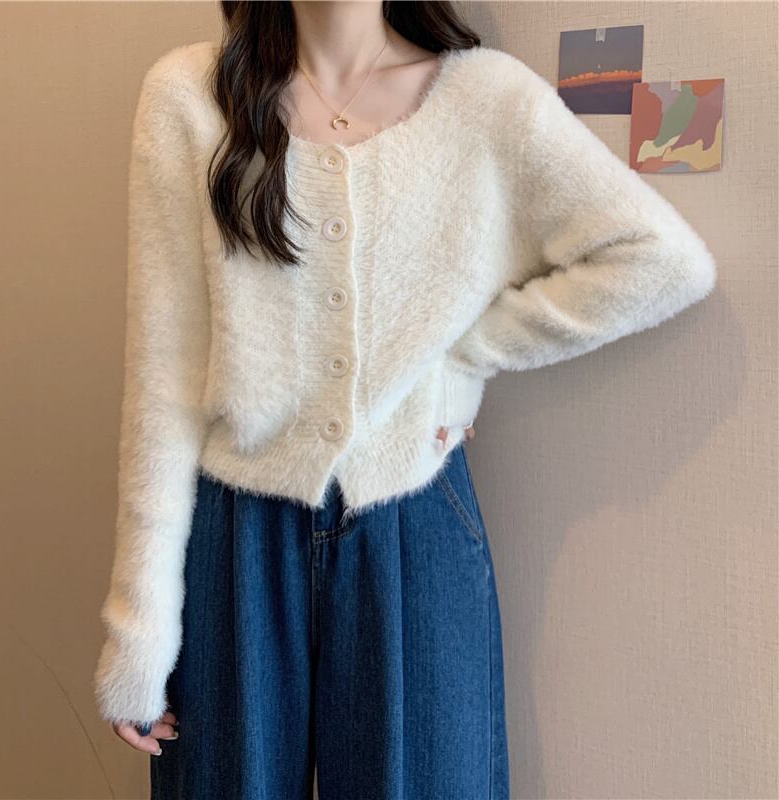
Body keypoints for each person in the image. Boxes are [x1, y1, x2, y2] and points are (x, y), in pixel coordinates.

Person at [93, 2, 717, 798]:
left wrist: (465, 357)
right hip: (235, 537)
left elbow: (662, 261)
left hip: (414, 520)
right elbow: (163, 375)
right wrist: (139, 629)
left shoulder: (485, 99)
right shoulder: (189, 97)